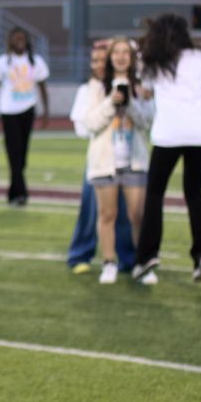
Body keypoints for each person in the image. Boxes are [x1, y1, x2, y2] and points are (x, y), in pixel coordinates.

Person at [133, 13, 201, 283]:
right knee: (195, 193)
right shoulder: (199, 56)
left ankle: (148, 255)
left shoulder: (153, 60)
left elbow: (145, 92)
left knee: (155, 193)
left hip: (168, 134)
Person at [79, 37, 153, 285]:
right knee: (107, 214)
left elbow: (147, 122)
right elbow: (90, 123)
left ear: (132, 58)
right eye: (116, 52)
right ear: (110, 57)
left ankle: (143, 263)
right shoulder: (97, 86)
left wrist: (130, 104)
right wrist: (111, 101)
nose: (121, 56)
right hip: (105, 160)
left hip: (134, 160)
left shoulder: (141, 86)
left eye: (126, 52)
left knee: (138, 215)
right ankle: (109, 262)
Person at [67, 44, 136, 273]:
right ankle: (80, 254)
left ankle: (128, 258)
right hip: (99, 157)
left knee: (127, 212)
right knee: (91, 209)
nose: (97, 64)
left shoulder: (126, 84)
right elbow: (82, 125)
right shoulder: (89, 89)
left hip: (126, 157)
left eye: (101, 60)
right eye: (94, 60)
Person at [0, 27, 50, 206]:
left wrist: (45, 112)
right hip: (8, 112)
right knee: (13, 153)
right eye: (16, 38)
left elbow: (43, 88)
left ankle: (13, 192)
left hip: (28, 110)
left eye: (22, 38)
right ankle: (20, 193)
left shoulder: (36, 62)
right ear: (10, 41)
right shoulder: (1, 62)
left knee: (22, 155)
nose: (19, 41)